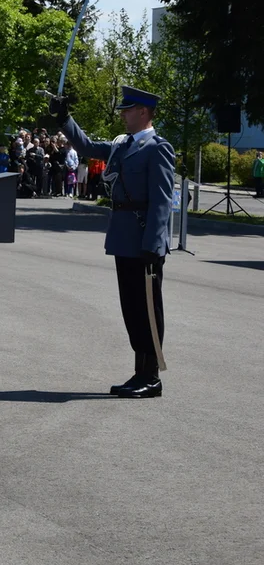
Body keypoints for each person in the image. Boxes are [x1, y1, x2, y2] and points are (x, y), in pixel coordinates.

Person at [54, 85, 174, 399]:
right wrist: (65, 118)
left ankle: (151, 376)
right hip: (123, 237)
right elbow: (88, 145)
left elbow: (162, 201)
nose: (123, 113)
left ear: (144, 112)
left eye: (128, 109)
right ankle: (139, 372)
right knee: (131, 309)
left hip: (144, 238)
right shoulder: (123, 146)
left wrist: (154, 243)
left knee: (148, 309)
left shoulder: (158, 148)